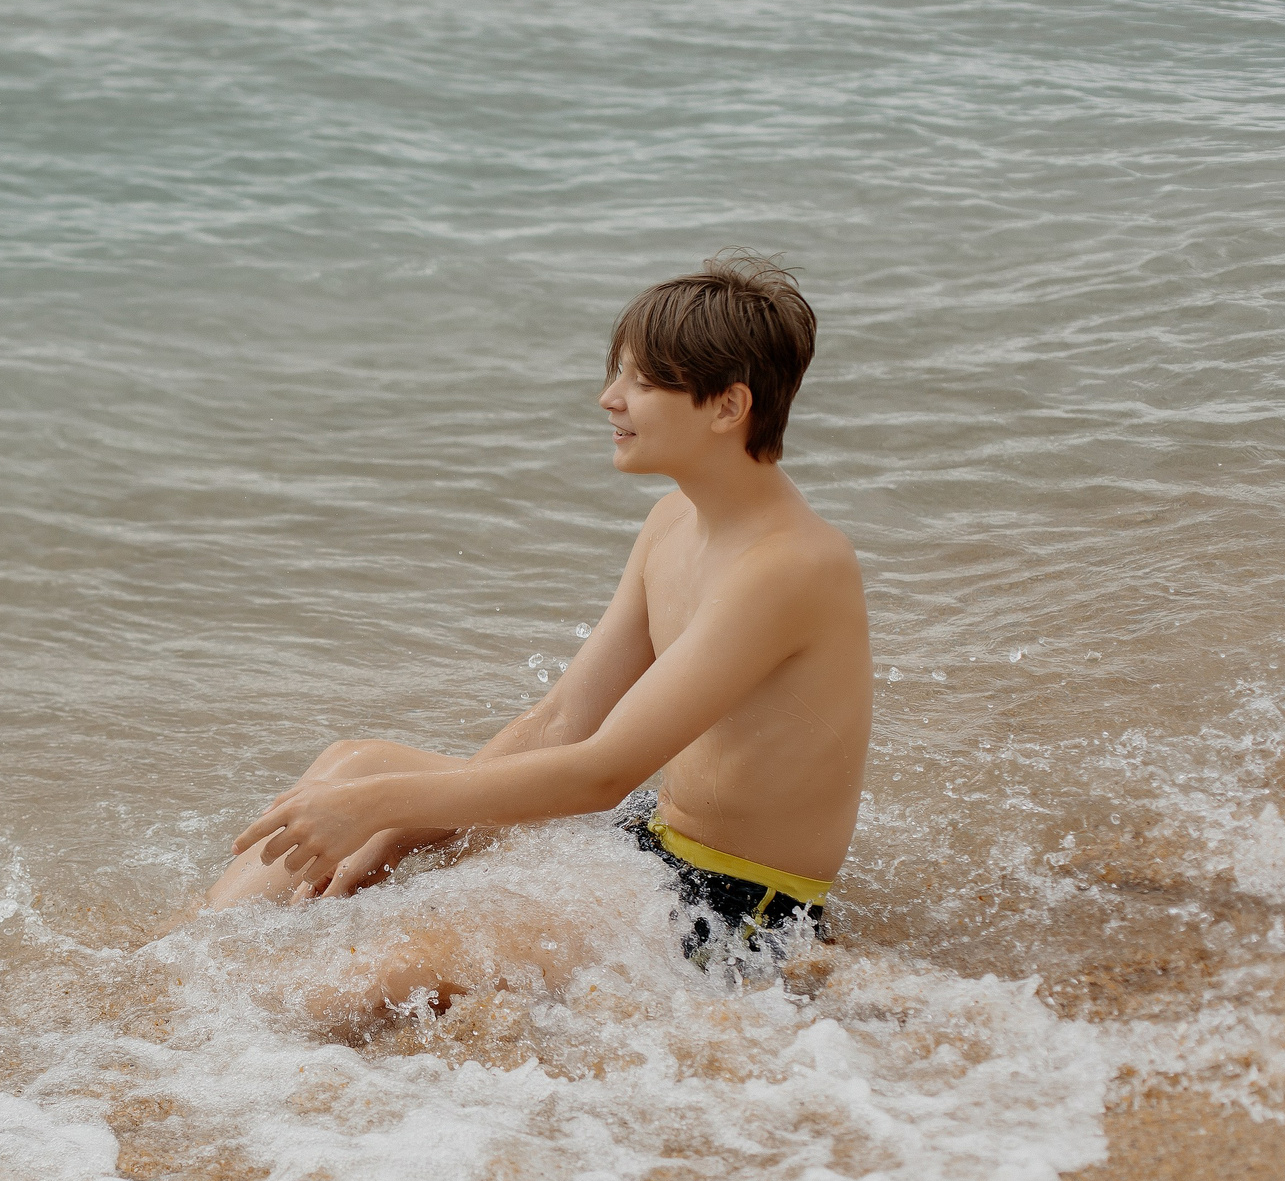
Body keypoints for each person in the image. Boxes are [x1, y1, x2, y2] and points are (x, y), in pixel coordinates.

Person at [208, 253, 871, 993]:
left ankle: (228, 1015)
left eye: (642, 382)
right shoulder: (673, 520)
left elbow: (603, 772)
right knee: (353, 763)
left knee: (379, 973)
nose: (608, 399)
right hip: (648, 837)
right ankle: (184, 964)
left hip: (736, 904)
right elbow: (564, 721)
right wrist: (392, 825)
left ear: (727, 406)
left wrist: (380, 811)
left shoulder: (790, 567)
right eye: (617, 374)